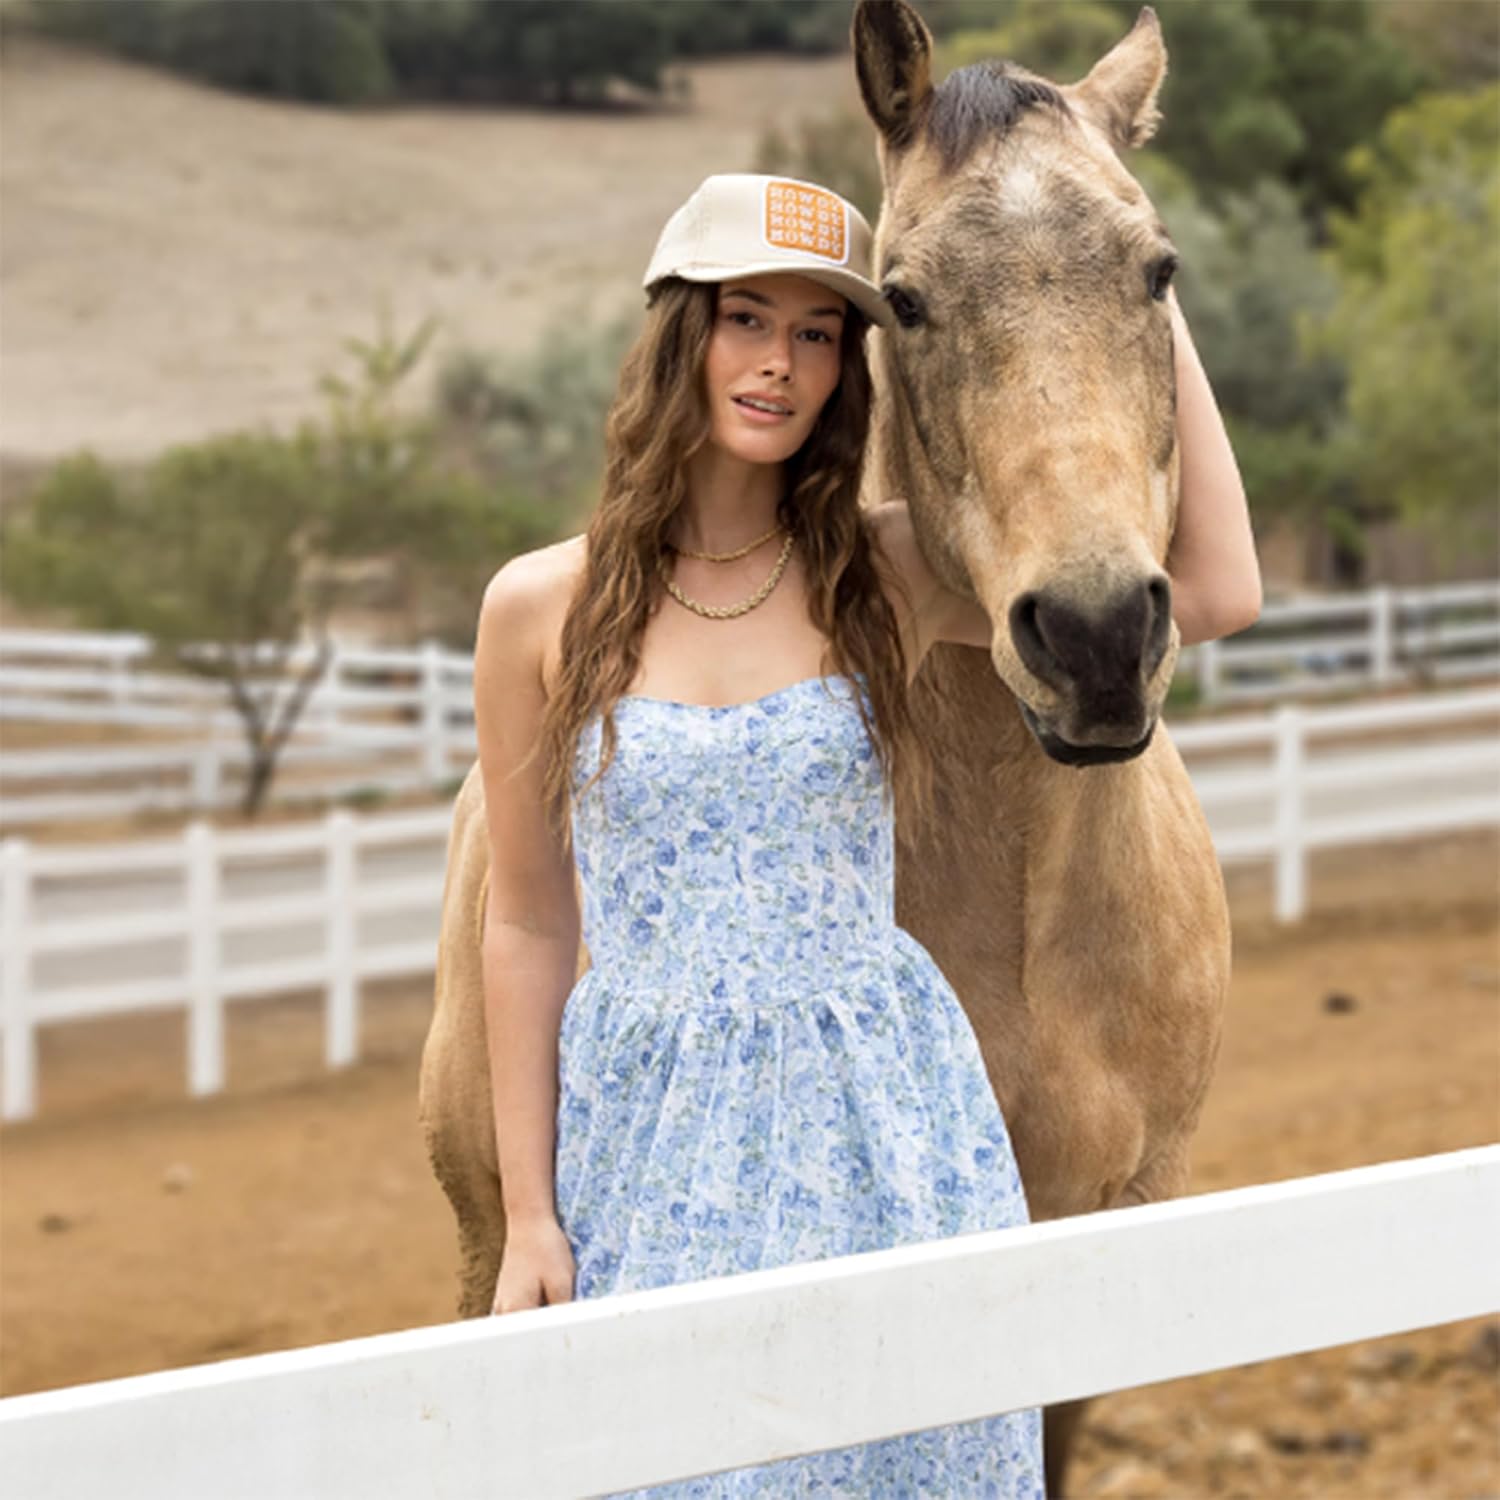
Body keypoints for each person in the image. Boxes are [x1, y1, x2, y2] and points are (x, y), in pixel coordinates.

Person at [473, 173, 1260, 1497]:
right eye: (746, 319)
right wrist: (530, 1215)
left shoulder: (880, 576)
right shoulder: (537, 609)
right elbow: (528, 920)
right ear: (680, 332)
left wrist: (1140, 282)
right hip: (652, 1129)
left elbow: (1221, 586)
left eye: (818, 333)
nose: (780, 364)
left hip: (886, 1114)